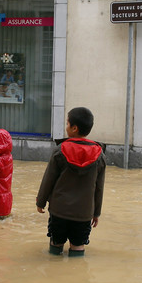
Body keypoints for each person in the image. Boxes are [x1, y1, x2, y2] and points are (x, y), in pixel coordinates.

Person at [36, 107, 106, 257]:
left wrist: (40, 202)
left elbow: (48, 179)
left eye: (67, 124)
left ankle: (53, 276)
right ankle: (76, 277)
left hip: (59, 211)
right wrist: (96, 213)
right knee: (78, 246)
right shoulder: (99, 155)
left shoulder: (60, 151)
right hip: (84, 213)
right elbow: (99, 188)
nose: (66, 126)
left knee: (55, 246)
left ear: (74, 128)